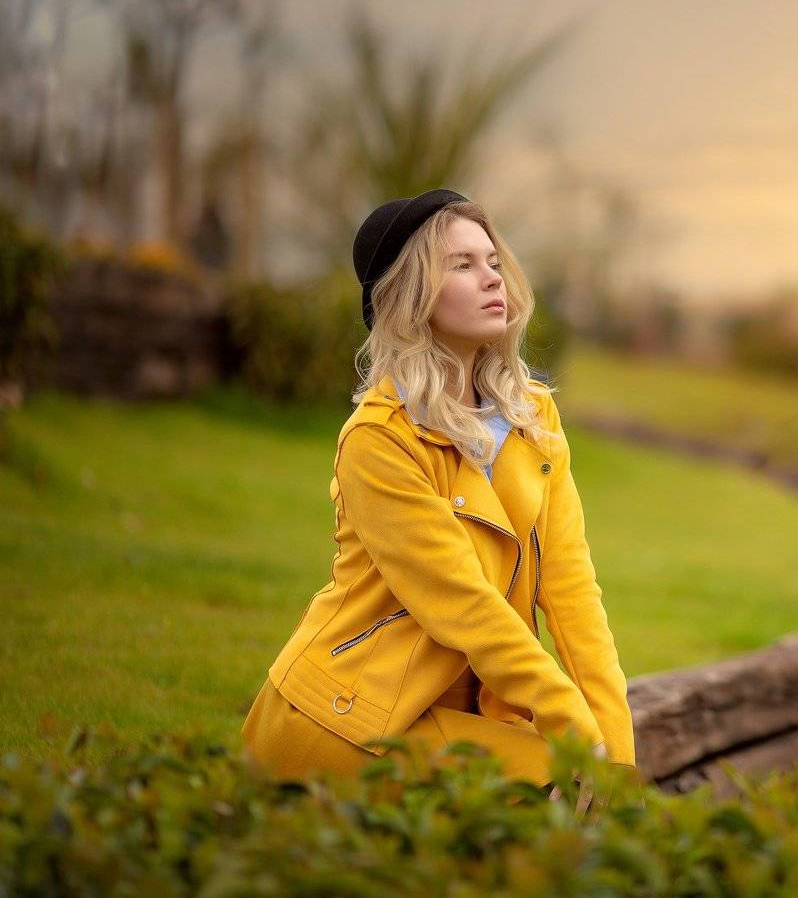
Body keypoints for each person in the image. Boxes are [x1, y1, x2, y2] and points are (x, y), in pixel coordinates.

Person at [240, 189, 636, 807]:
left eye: (493, 261)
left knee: (563, 788)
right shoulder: (378, 440)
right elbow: (464, 608)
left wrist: (618, 749)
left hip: (455, 721)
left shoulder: (534, 417)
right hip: (347, 717)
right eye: (462, 265)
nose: (490, 278)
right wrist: (577, 733)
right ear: (410, 296)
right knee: (544, 783)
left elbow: (572, 592)